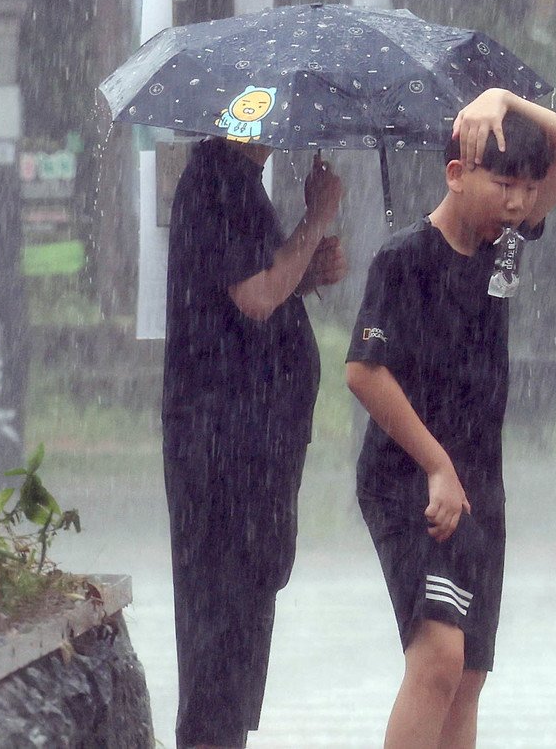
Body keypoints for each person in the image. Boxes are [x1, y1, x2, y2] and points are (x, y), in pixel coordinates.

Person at [345, 87, 556, 748]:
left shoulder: (503, 242)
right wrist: (437, 466)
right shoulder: (404, 259)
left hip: (479, 481)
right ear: (457, 175)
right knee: (437, 661)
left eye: (528, 187)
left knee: (471, 673)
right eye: (503, 182)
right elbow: (364, 373)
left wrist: (501, 97)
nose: (518, 202)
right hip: (411, 482)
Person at [162, 138, 347, 749]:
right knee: (221, 630)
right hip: (225, 453)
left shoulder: (241, 185)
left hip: (251, 451)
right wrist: (316, 217)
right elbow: (257, 295)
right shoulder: (219, 183)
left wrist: (307, 269)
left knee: (239, 632)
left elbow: (257, 288)